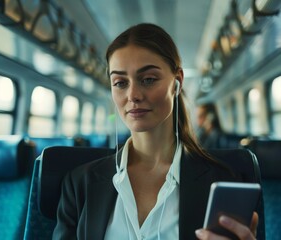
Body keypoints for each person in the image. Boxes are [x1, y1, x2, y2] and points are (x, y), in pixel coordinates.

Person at [52, 23, 260, 239]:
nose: (133, 95)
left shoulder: (224, 181)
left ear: (177, 82)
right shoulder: (78, 184)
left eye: (148, 79)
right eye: (120, 83)